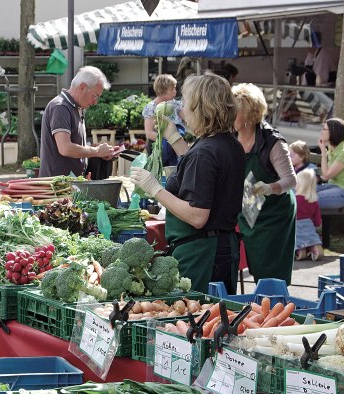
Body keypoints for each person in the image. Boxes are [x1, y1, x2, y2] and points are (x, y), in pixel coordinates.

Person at [130, 72, 245, 295]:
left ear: (202, 108)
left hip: (202, 253)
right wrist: (174, 138)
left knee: (198, 320)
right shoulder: (228, 144)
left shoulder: (206, 152)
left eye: (187, 103)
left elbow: (197, 216)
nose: (183, 110)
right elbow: (200, 167)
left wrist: (155, 189)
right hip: (219, 248)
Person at [232, 83, 297, 285]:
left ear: (250, 115)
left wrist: (270, 188)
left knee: (272, 271)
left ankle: (276, 304)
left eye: (236, 112)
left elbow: (291, 180)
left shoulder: (272, 142)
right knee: (253, 264)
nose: (231, 115)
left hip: (275, 215)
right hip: (248, 210)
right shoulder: (230, 138)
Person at [39, 66, 116, 178]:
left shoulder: (75, 107)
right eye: (95, 96)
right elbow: (65, 148)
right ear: (82, 87)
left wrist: (98, 150)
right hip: (57, 186)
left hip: (68, 184)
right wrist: (97, 151)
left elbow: (74, 144)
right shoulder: (60, 107)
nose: (95, 102)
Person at [317, 117, 344, 209]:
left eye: (324, 129)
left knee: (309, 198)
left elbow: (326, 175)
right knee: (300, 192)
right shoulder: (332, 149)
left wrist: (323, 153)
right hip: (334, 186)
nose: (321, 131)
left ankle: (305, 223)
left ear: (333, 132)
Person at [142, 74, 186, 167]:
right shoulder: (151, 107)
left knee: (174, 172)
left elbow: (186, 117)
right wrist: (169, 139)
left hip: (175, 147)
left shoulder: (175, 104)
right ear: (163, 90)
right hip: (159, 148)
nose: (175, 91)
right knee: (160, 175)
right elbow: (149, 133)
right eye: (172, 89)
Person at [295, 169, 323, 261]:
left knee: (296, 239)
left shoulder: (295, 199)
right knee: (311, 238)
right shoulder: (313, 201)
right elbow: (317, 217)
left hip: (295, 225)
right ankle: (314, 247)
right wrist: (317, 224)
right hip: (309, 225)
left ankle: (300, 250)